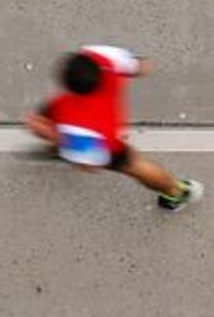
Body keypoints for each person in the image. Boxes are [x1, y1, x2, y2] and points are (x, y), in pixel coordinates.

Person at [24, 45, 203, 212]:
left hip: (101, 143)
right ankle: (175, 192)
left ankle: (175, 191)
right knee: (127, 162)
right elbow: (143, 67)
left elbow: (87, 164)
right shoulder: (104, 56)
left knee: (135, 165)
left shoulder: (73, 123)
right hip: (97, 132)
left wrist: (54, 137)